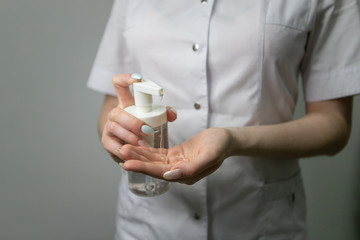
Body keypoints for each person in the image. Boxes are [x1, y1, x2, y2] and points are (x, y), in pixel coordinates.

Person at [87, 0, 360, 239]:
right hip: (149, 222)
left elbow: (333, 124)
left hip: (258, 221)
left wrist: (234, 139)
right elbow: (115, 101)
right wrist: (119, 135)